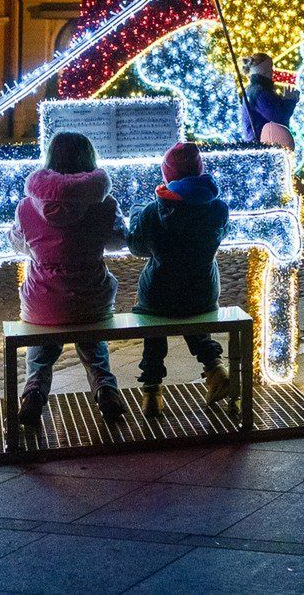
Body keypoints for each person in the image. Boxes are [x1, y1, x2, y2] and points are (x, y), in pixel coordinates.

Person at [7, 131, 125, 425]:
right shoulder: (104, 204)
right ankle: (106, 389)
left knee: (41, 347)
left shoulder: (27, 206)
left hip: (42, 301)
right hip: (91, 299)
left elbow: (20, 244)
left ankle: (33, 391)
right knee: (93, 341)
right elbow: (117, 241)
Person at [127, 141, 231, 416]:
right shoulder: (218, 208)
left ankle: (151, 391)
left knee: (154, 322)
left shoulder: (154, 210)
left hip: (159, 297)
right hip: (203, 294)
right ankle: (216, 370)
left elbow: (136, 247)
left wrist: (136, 214)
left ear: (168, 175)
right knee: (193, 312)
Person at [241, 53, 298, 141]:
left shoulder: (255, 90)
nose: (272, 71)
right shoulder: (259, 92)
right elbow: (278, 117)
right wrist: (289, 101)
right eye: (270, 68)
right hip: (263, 144)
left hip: (259, 142)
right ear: (264, 70)